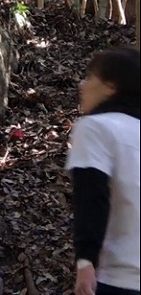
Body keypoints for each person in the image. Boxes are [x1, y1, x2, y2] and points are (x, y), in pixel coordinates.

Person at [65, 44, 140, 295]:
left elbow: (92, 195)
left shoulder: (96, 127)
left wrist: (86, 261)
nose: (82, 85)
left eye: (90, 77)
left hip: (119, 279)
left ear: (111, 86)